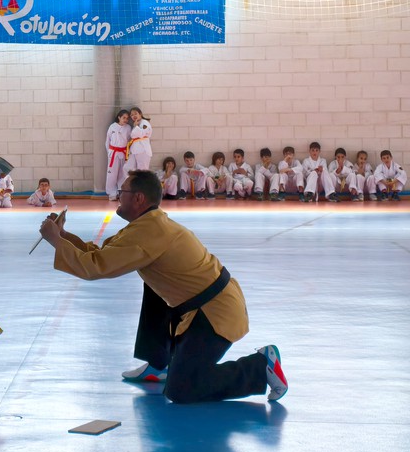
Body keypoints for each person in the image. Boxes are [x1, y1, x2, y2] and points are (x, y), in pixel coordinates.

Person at [36, 170, 288, 404]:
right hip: (204, 302)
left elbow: (95, 267)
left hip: (216, 312)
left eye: (121, 193)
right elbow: (103, 253)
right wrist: (63, 236)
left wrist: (55, 240)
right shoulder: (147, 224)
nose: (117, 197)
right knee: (152, 284)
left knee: (181, 389)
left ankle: (260, 365)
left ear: (138, 198)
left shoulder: (147, 233)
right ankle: (159, 363)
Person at [105, 110, 132, 202]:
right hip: (113, 152)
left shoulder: (128, 128)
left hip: (124, 152)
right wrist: (109, 151)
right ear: (119, 117)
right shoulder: (112, 127)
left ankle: (121, 192)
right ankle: (112, 193)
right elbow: (107, 141)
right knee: (112, 174)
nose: (125, 120)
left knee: (123, 173)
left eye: (127, 118)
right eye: (124, 117)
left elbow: (129, 141)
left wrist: (128, 153)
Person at [125, 106, 153, 172]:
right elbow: (133, 135)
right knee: (127, 168)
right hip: (135, 150)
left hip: (143, 150)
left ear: (140, 114)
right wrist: (135, 126)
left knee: (142, 171)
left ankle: (143, 182)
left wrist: (136, 126)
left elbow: (140, 134)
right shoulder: (136, 124)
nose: (133, 116)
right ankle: (133, 182)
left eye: (135, 113)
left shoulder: (145, 123)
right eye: (131, 115)